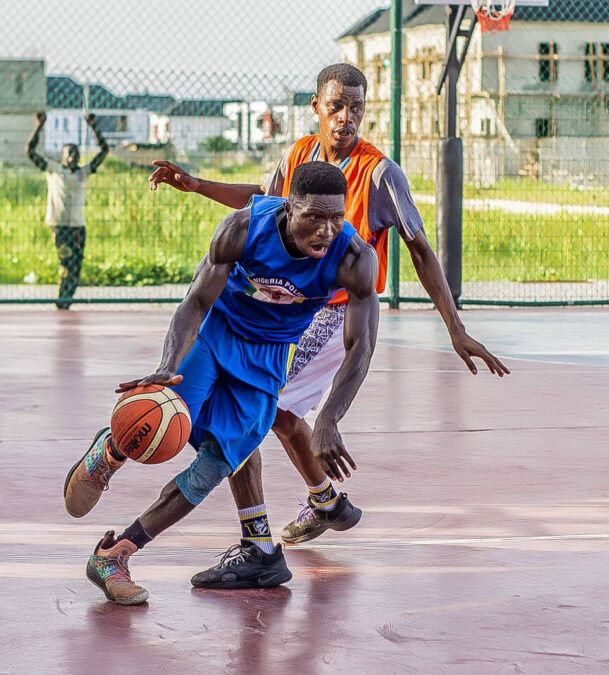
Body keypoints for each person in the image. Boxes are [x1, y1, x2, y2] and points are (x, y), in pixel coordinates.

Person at [147, 63, 508, 544]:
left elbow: (420, 248)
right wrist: (198, 185)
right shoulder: (301, 153)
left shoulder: (380, 173)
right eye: (337, 106)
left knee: (258, 407)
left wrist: (455, 328)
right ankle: (325, 502)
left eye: (357, 108)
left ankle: (264, 538)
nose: (346, 117)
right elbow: (265, 201)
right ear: (316, 105)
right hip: (291, 305)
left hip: (336, 310)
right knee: (274, 413)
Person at [63, 161, 379, 604]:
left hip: (268, 359)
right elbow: (195, 302)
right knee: (158, 416)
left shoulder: (354, 258)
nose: (326, 230)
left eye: (336, 218)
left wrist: (329, 417)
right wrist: (168, 364)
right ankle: (110, 451)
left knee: (215, 465)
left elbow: (361, 346)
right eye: (314, 217)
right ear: (289, 208)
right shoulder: (243, 229)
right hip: (216, 332)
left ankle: (114, 555)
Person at [25, 111, 109, 309]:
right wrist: (39, 125)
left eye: (75, 153)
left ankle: (66, 301)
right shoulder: (54, 170)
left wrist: (93, 126)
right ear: (62, 156)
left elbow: (104, 151)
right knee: (66, 262)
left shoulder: (83, 172)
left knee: (76, 266)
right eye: (69, 153)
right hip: (61, 226)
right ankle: (61, 300)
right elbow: (30, 152)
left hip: (78, 226)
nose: (72, 156)